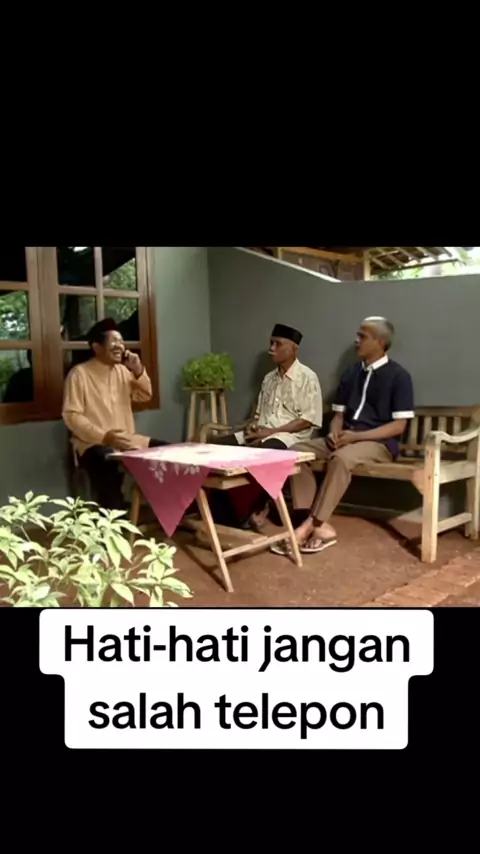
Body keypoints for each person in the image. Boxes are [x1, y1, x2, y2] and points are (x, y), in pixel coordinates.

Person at [272, 316, 414, 554]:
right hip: (345, 440)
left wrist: (356, 437)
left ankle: (308, 526)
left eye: (362, 336)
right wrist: (333, 432)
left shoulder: (399, 377)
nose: (356, 340)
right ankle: (316, 524)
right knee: (295, 453)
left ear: (380, 342)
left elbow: (399, 426)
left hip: (378, 444)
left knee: (341, 459)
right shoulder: (351, 374)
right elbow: (338, 415)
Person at [215, 323, 323, 528]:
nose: (271, 348)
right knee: (217, 447)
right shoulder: (268, 379)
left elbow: (307, 420)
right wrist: (253, 426)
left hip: (289, 437)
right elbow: (259, 415)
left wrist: (271, 432)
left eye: (278, 344)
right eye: (271, 343)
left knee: (265, 453)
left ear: (293, 349)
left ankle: (250, 510)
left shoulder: (308, 378)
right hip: (263, 432)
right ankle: (220, 510)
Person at [62, 318, 167, 510]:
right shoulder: (79, 374)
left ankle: (179, 511)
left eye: (121, 341)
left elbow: (145, 396)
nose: (120, 346)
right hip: (92, 445)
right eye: (114, 341)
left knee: (169, 452)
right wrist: (105, 437)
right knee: (107, 463)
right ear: (97, 347)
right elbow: (72, 416)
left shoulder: (123, 371)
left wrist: (138, 370)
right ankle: (114, 516)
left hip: (128, 441)